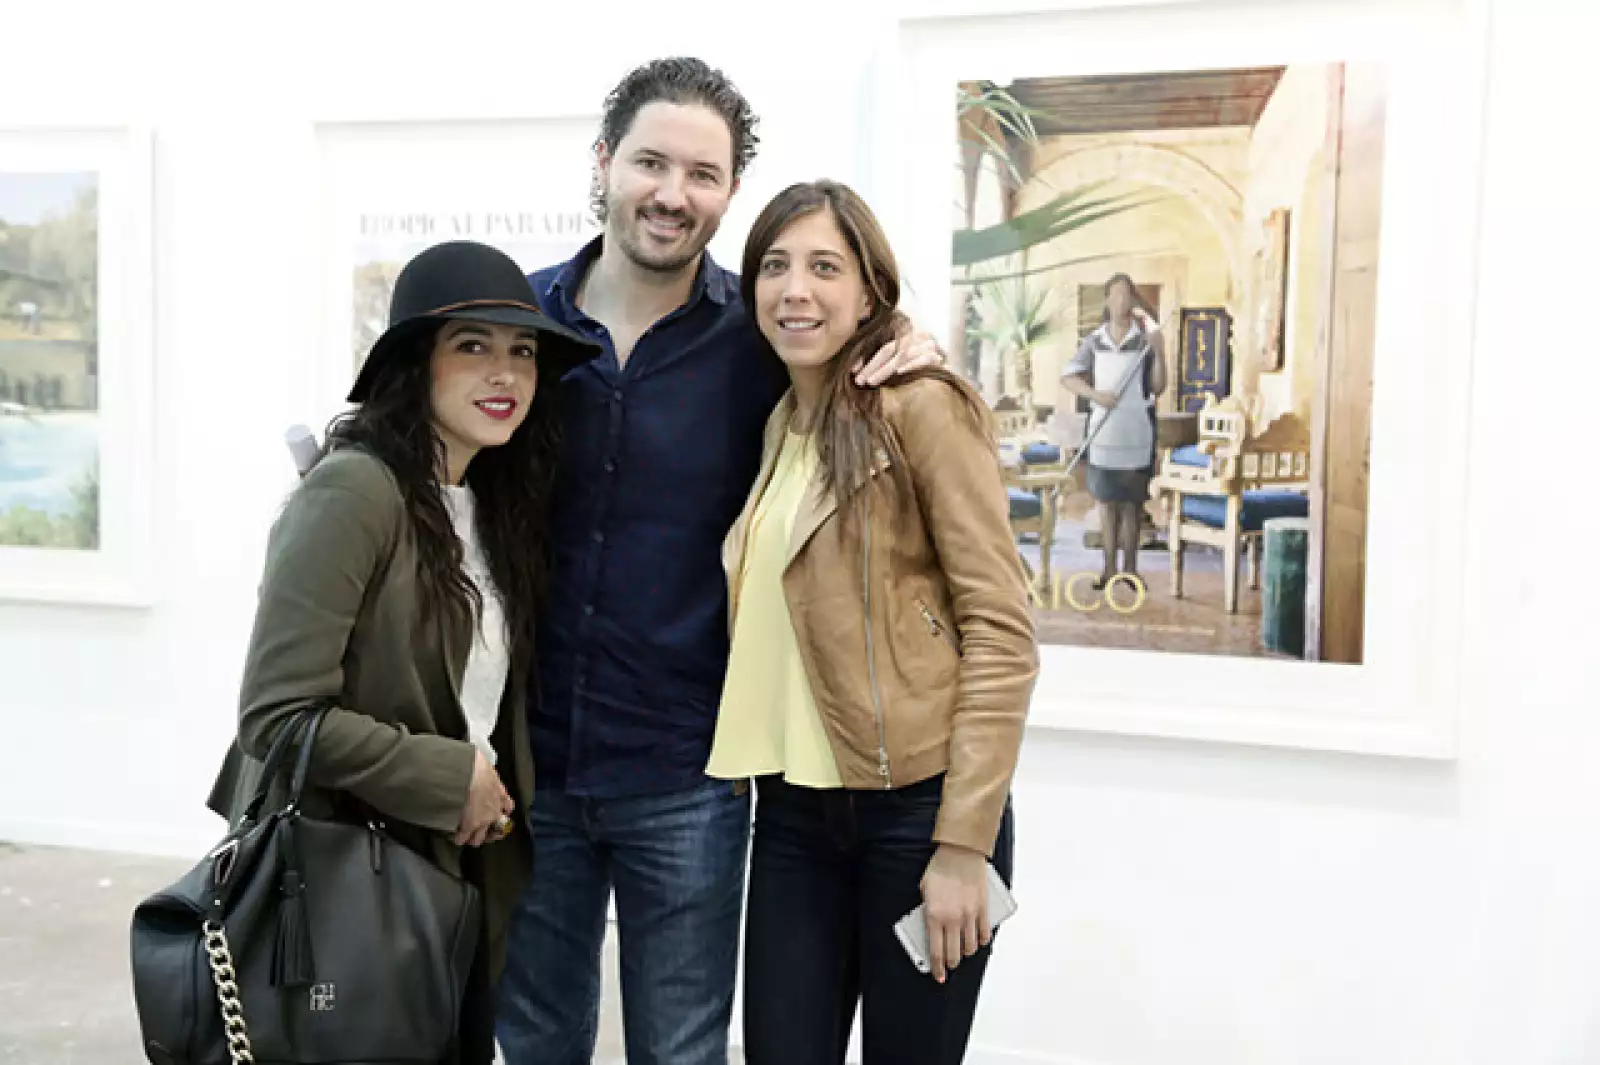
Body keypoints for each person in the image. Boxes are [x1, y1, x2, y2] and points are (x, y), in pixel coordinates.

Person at [495, 58, 941, 1065]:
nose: (672, 193)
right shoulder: (517, 329)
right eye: (650, 162)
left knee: (684, 1052)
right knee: (532, 1042)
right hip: (532, 768)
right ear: (604, 162)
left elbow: (865, 348)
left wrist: (906, 339)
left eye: (702, 173)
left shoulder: (762, 340)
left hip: (686, 775)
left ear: (730, 190)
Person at [206, 240, 600, 1063]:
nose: (505, 374)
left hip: (448, 876)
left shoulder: (488, 504)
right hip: (348, 872)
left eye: (522, 352)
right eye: (473, 347)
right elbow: (276, 715)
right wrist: (448, 774)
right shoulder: (355, 490)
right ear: (414, 364)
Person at [705, 179, 1037, 1065]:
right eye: (774, 267)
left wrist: (965, 843)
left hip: (920, 816)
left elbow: (1001, 631)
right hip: (792, 817)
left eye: (824, 267)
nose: (795, 289)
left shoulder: (921, 405)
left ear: (868, 290)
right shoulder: (783, 423)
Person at [1060, 273, 1168, 588]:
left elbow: (1158, 387)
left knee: (1133, 504)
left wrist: (1160, 352)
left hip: (1136, 431)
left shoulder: (1145, 340)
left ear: (1133, 300)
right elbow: (1069, 377)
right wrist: (1096, 396)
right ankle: (1108, 569)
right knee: (1107, 503)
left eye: (1126, 296)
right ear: (1107, 300)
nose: (1121, 302)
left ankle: (1130, 570)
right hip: (1104, 432)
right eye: (1115, 295)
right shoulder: (1095, 341)